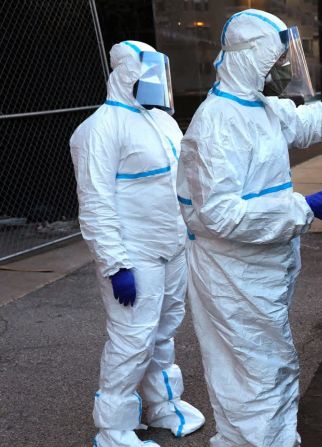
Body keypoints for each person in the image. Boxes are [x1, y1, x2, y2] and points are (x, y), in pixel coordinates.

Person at [176, 9, 322, 446]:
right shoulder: (216, 124)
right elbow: (220, 216)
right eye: (275, 59)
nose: (282, 69)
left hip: (261, 267)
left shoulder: (260, 108)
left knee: (272, 368)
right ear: (250, 57)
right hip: (233, 273)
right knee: (252, 380)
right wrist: (304, 210)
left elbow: (308, 123)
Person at [70, 40, 204, 447]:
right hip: (133, 255)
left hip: (171, 247)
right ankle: (113, 428)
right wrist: (114, 264)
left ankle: (164, 403)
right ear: (127, 71)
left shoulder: (162, 122)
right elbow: (95, 204)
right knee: (132, 338)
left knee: (163, 331)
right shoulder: (98, 129)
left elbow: (180, 184)